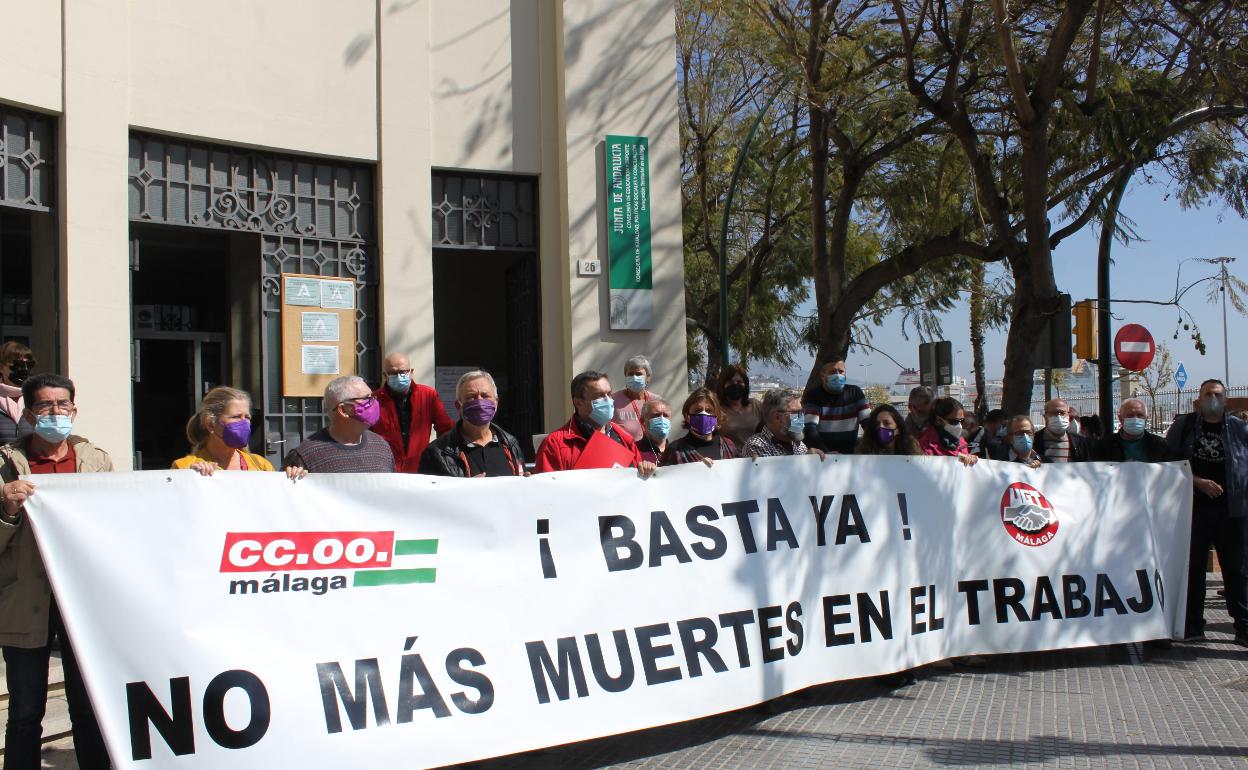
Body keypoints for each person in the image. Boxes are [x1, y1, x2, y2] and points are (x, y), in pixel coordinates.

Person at [0, 373, 112, 769]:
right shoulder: (5, 463)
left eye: (62, 404)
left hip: (81, 601)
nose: (55, 412)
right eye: (45, 405)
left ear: (74, 410)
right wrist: (7, 509)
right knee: (26, 711)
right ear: (29, 413)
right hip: (25, 599)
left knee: (89, 706)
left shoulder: (95, 460)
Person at [1165, 379, 1248, 646]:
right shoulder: (1185, 426)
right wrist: (1197, 481)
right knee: (1194, 568)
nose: (1213, 398)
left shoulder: (1238, 428)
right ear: (1199, 399)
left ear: (1225, 399)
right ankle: (1192, 625)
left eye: (1218, 394)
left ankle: (1244, 627)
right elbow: (1171, 461)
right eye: (1208, 394)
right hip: (1194, 508)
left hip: (1232, 510)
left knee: (1237, 570)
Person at [534, 371, 655, 477]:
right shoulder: (555, 444)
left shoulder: (624, 437)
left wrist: (645, 469)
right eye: (599, 396)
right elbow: (547, 490)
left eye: (609, 394)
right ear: (578, 403)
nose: (608, 400)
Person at [173, 386, 305, 479]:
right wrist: (191, 478)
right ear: (210, 424)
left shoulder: (260, 465)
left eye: (247, 417)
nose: (244, 423)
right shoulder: (185, 466)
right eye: (236, 417)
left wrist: (292, 478)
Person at [419, 370, 525, 477]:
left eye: (485, 396)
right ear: (458, 406)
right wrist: (466, 489)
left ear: (496, 403)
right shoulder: (437, 453)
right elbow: (428, 492)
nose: (479, 401)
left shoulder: (511, 445)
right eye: (471, 397)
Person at [284, 375, 396, 473]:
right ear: (343, 410)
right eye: (367, 399)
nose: (374, 402)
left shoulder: (381, 446)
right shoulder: (306, 454)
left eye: (372, 397)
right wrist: (293, 477)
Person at [371, 352, 453, 472]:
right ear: (385, 375)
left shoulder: (428, 395)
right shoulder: (374, 400)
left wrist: (437, 455)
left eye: (403, 372)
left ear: (411, 372)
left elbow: (446, 429)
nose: (399, 376)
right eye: (393, 373)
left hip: (420, 469)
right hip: (386, 470)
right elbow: (364, 434)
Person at [802, 358, 870, 454]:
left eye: (841, 371)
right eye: (833, 372)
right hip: (824, 457)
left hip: (851, 457)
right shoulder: (813, 397)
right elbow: (809, 429)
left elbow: (868, 424)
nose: (838, 375)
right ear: (822, 376)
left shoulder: (855, 393)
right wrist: (826, 453)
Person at [660, 388, 739, 466]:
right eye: (697, 410)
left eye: (709, 410)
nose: (703, 414)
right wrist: (696, 469)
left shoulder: (728, 445)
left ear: (717, 416)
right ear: (687, 416)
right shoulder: (674, 450)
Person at [745, 388, 825, 459]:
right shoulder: (757, 445)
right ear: (777, 417)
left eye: (802, 412)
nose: (801, 417)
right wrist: (803, 461)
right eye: (795, 412)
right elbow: (772, 475)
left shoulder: (799, 445)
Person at [1094, 399, 1170, 462]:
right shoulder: (1104, 445)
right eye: (1130, 415)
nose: (1135, 419)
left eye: (1140, 415)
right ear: (1120, 418)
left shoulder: (1159, 445)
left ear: (1146, 418)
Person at [610, 355, 660, 441]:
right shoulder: (613, 400)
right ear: (625, 376)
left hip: (651, 450)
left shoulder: (656, 401)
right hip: (624, 451)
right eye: (630, 374)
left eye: (638, 374)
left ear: (648, 377)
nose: (634, 377)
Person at [917, 397, 978, 466]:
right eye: (954, 421)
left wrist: (970, 458)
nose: (959, 425)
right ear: (939, 420)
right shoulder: (925, 444)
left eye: (961, 421)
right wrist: (956, 457)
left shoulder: (961, 441)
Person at [716, 365, 763, 448]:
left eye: (739, 382)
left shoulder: (756, 405)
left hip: (756, 457)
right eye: (730, 382)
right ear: (723, 385)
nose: (735, 385)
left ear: (745, 384)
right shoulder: (717, 410)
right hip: (730, 459)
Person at [1033, 399, 1093, 463]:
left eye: (1062, 413)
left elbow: (1086, 467)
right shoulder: (1034, 440)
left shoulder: (1079, 442)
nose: (1058, 417)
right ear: (1045, 417)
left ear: (1068, 416)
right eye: (1053, 413)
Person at [0, 342, 34, 445]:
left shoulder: (37, 399)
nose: (25, 369)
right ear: (1, 368)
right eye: (18, 365)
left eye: (29, 365)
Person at [855, 404, 921, 456]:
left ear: (898, 428)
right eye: (877, 424)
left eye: (887, 423)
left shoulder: (910, 452)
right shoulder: (864, 453)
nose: (881, 427)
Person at [636, 398, 671, 464]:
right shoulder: (634, 450)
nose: (662, 419)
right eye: (656, 416)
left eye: (666, 416)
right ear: (643, 421)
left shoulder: (677, 450)